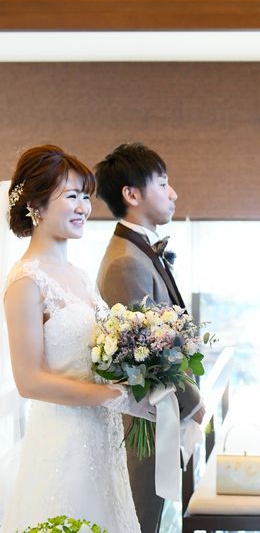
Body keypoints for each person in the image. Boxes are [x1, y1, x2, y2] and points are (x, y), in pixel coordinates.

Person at [1, 145, 146, 532]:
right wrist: (116, 397)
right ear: (36, 205)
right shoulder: (26, 282)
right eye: (71, 196)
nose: (83, 207)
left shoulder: (80, 276)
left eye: (86, 196)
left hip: (104, 439)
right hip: (63, 443)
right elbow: (29, 381)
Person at [95, 142, 204, 533]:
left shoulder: (138, 251)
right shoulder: (126, 261)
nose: (173, 193)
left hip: (160, 415)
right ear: (132, 194)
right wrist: (192, 402)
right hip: (145, 423)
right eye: (162, 183)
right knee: (140, 520)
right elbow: (145, 353)